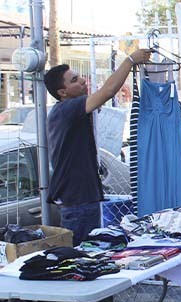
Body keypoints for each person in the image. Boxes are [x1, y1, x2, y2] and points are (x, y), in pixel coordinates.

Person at [44, 48, 152, 245]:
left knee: (90, 251)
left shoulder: (68, 110)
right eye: (74, 80)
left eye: (79, 77)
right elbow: (107, 92)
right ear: (62, 92)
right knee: (84, 254)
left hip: (81, 201)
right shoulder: (66, 109)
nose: (82, 81)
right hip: (78, 203)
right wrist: (129, 60)